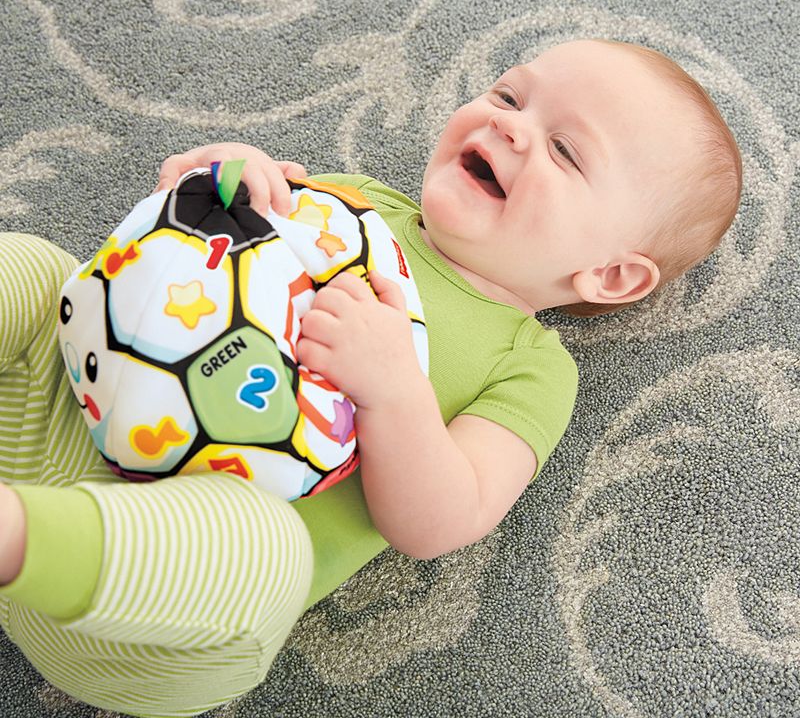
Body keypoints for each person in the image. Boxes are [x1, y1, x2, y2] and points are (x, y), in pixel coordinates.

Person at [0, 38, 742, 717]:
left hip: (148, 604)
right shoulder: (355, 202)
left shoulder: (531, 367)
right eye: (509, 96)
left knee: (268, 552)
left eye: (566, 151)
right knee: (37, 271)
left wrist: (391, 391)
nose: (509, 127)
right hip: (64, 425)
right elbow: (204, 252)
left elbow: (442, 522)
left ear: (610, 273)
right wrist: (212, 183)